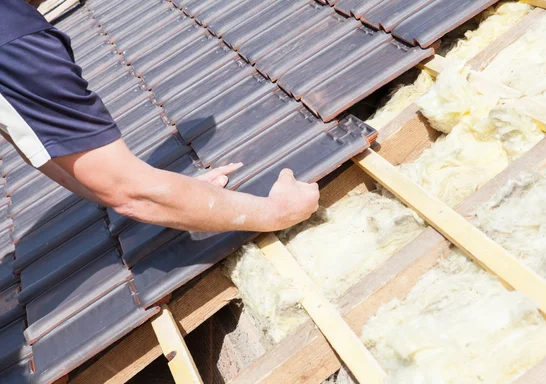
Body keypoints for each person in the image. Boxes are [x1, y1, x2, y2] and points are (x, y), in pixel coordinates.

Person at [0, 0, 320, 234]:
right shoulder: (15, 41)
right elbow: (131, 193)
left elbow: (44, 152)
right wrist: (275, 213)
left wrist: (185, 196)